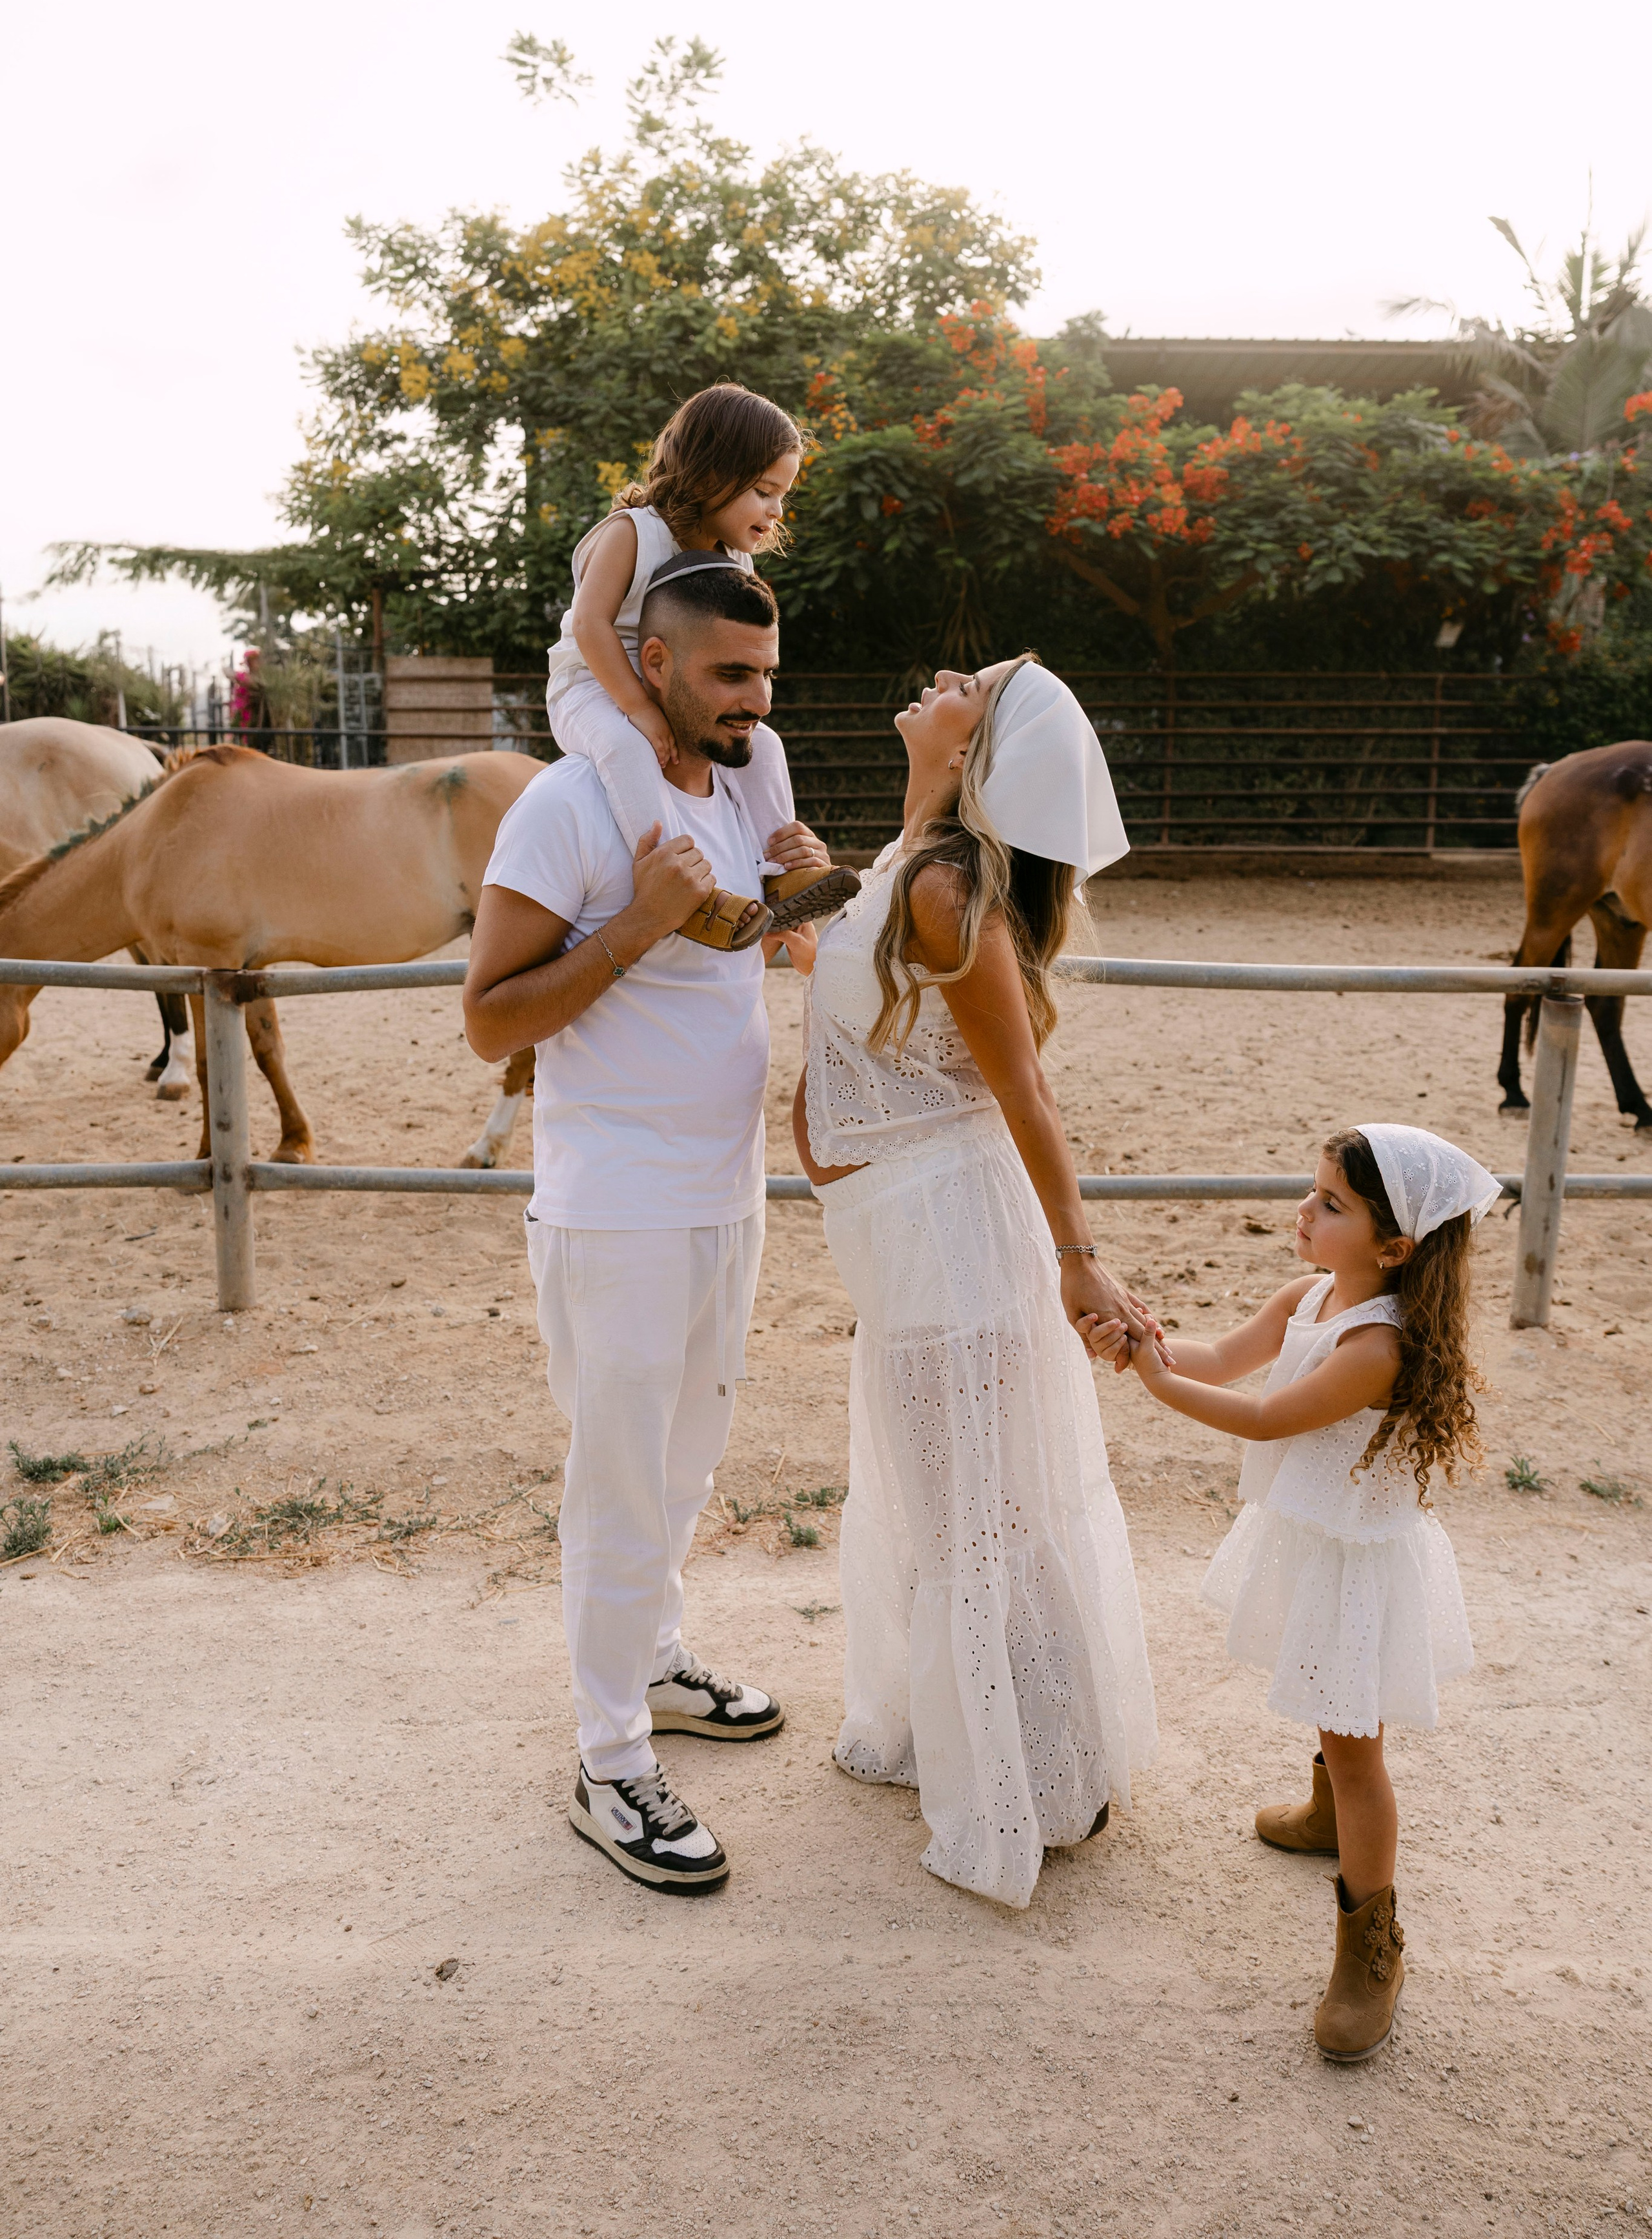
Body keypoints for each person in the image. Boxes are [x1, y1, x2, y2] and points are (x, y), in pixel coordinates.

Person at [463, 558, 829, 1894]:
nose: (755, 700)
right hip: (615, 1207)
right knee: (619, 1484)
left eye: (767, 676)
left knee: (683, 1467)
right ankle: (609, 1762)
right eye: (730, 675)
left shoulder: (746, 789)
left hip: (727, 1192)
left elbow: (781, 949)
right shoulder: (568, 807)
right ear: (654, 665)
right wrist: (634, 925)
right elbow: (489, 1020)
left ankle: (654, 1662)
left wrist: (810, 892)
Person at [791, 654, 1160, 1910]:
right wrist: (811, 921)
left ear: (974, 756)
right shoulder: (913, 860)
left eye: (971, 683)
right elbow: (877, 1003)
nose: (942, 675)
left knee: (977, 1513)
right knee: (943, 1497)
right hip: (895, 1235)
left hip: (948, 1234)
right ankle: (978, 1745)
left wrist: (1077, 1260)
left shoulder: (947, 886)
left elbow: (1025, 1092)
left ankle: (1043, 1787)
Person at [1101, 1123, 1496, 2062]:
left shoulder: (1377, 1347)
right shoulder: (1308, 1296)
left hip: (1359, 1565)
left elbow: (1265, 1416)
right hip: (1319, 1544)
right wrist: (1145, 1339)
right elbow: (1219, 1360)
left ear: (1393, 1248)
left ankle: (1371, 1947)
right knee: (1332, 1707)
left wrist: (1151, 1380)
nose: (1305, 1211)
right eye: (1313, 1191)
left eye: (1331, 1204)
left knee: (1360, 1754)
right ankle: (1325, 1819)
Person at [547, 381, 857, 950]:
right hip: (594, 682)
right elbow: (590, 625)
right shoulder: (632, 533)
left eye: (782, 495)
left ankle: (781, 873)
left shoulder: (732, 558)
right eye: (764, 491)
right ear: (714, 475)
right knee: (626, 747)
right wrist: (638, 707)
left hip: (676, 688)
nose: (777, 510)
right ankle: (682, 891)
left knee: (766, 746)